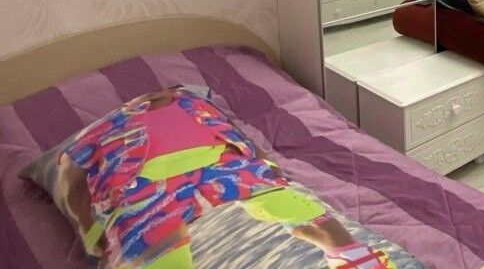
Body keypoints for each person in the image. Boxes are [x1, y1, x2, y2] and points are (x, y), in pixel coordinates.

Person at [53, 86, 394, 269]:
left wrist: (266, 165)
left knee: (290, 206)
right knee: (158, 242)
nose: (155, 93)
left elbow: (238, 140)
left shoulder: (192, 104)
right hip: (145, 185)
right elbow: (70, 176)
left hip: (221, 163)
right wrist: (90, 230)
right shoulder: (106, 128)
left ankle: (353, 255)